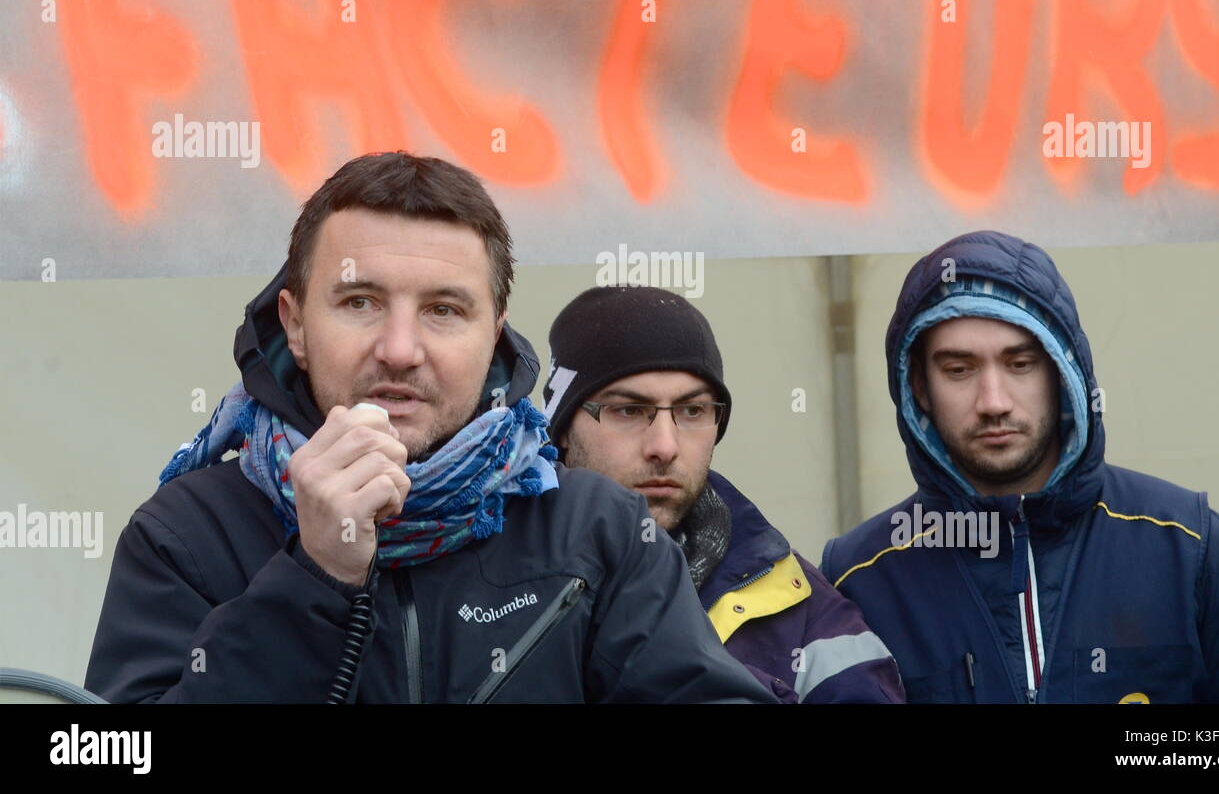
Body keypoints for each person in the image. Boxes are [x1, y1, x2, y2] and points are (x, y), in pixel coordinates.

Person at [84, 152, 773, 704]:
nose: (401, 348)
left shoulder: (600, 530)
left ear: (494, 336)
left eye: (445, 310)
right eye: (360, 301)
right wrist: (314, 579)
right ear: (295, 325)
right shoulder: (184, 533)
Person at [822, 230, 1219, 703]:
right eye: (958, 370)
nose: (993, 402)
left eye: (1020, 363)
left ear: (1061, 373)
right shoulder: (859, 577)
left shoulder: (1186, 543)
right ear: (919, 386)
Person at [543, 285, 905, 703]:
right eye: (628, 410)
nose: (665, 445)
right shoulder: (488, 573)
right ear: (564, 428)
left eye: (692, 411)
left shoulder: (802, 608)